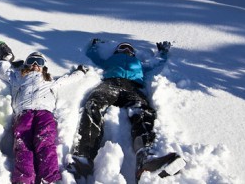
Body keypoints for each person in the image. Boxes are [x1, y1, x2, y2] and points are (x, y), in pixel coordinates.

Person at [67, 40, 185, 180]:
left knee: (143, 111)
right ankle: (83, 157)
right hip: (110, 84)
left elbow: (156, 63)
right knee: (93, 104)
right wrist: (93, 45)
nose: (125, 50)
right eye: (122, 48)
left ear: (133, 53)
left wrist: (163, 53)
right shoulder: (111, 60)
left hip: (132, 87)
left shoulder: (139, 64)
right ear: (117, 51)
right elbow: (94, 57)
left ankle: (145, 158)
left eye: (128, 48)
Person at [0, 51, 88, 184]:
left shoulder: (49, 80)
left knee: (45, 142)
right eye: (31, 61)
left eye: (40, 62)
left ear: (44, 66)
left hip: (44, 113)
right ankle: (24, 179)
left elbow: (67, 79)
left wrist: (80, 72)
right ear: (26, 64)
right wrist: (7, 62)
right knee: (23, 144)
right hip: (24, 113)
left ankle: (48, 178)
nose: (35, 65)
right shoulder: (17, 76)